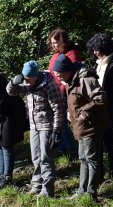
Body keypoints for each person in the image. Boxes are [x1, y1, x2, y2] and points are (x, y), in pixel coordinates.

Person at [52, 54, 111, 202]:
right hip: (80, 127)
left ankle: (91, 193)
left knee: (92, 160)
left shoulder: (85, 79)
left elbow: (100, 98)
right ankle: (81, 190)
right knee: (83, 158)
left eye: (59, 75)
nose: (58, 78)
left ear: (66, 70)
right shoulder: (70, 81)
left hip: (91, 126)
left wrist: (83, 115)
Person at [6, 60, 63, 197]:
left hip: (47, 126)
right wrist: (13, 82)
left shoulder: (49, 85)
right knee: (35, 157)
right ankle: (37, 184)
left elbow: (58, 109)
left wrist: (56, 130)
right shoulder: (26, 84)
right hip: (33, 126)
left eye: (28, 78)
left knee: (45, 158)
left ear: (35, 75)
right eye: (24, 78)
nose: (26, 81)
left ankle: (47, 189)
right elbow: (11, 92)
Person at [86, 33, 113, 179]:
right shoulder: (97, 64)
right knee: (97, 143)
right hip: (97, 110)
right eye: (93, 50)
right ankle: (98, 174)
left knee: (110, 142)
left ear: (104, 48)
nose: (94, 53)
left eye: (96, 49)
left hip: (111, 110)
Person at [47, 28, 80, 160]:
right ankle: (64, 146)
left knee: (64, 122)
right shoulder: (54, 56)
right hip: (53, 92)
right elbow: (51, 74)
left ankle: (73, 149)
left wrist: (60, 89)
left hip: (65, 93)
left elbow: (69, 75)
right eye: (53, 43)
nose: (55, 46)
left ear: (64, 41)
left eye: (57, 42)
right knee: (60, 122)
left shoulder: (72, 54)